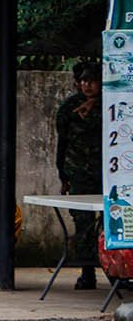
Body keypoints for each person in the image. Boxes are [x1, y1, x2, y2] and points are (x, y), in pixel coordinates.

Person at [56, 58, 103, 289]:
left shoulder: (112, 105)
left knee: (111, 223)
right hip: (79, 174)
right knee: (83, 224)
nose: (87, 86)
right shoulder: (69, 108)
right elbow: (61, 143)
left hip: (107, 174)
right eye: (83, 81)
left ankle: (117, 272)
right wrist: (62, 175)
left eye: (92, 81)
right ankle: (88, 272)